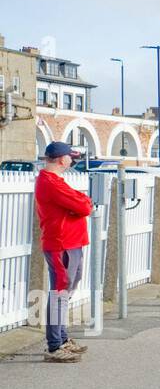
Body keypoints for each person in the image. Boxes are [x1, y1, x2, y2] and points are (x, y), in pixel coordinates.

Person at [34, 141, 93, 363]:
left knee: (66, 290)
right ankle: (54, 345)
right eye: (70, 156)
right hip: (61, 244)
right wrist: (82, 205)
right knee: (60, 292)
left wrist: (81, 204)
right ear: (61, 159)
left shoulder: (56, 181)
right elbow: (85, 206)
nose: (72, 159)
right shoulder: (51, 183)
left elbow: (82, 202)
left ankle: (62, 338)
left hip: (71, 243)